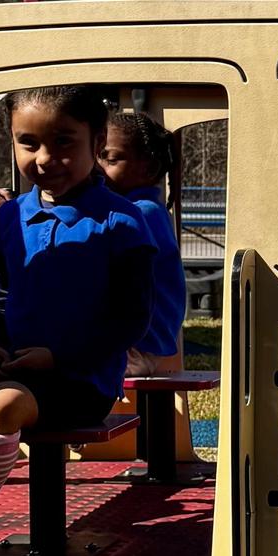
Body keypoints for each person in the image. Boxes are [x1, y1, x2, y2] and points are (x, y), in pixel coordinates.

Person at [0, 85, 154, 509]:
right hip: (14, 365)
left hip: (81, 381)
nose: (44, 158)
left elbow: (131, 319)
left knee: (3, 406)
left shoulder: (122, 223)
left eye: (63, 143)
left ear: (96, 142)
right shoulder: (8, 219)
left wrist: (57, 357)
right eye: (28, 142)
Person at [100, 110, 187, 376]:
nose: (97, 166)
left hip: (138, 347)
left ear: (148, 168)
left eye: (110, 158)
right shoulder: (136, 209)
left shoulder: (140, 213)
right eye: (94, 155)